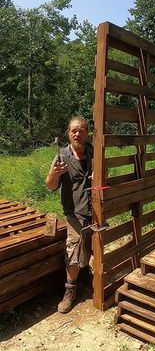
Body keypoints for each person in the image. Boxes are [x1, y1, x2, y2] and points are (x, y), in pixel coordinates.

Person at [46, 116, 93, 313]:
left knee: (93, 247)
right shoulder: (62, 157)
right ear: (68, 133)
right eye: (74, 130)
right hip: (75, 213)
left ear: (87, 133)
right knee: (73, 252)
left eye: (81, 130)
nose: (77, 133)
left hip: (97, 210)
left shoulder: (94, 152)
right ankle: (70, 290)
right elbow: (50, 186)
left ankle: (89, 277)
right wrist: (53, 175)